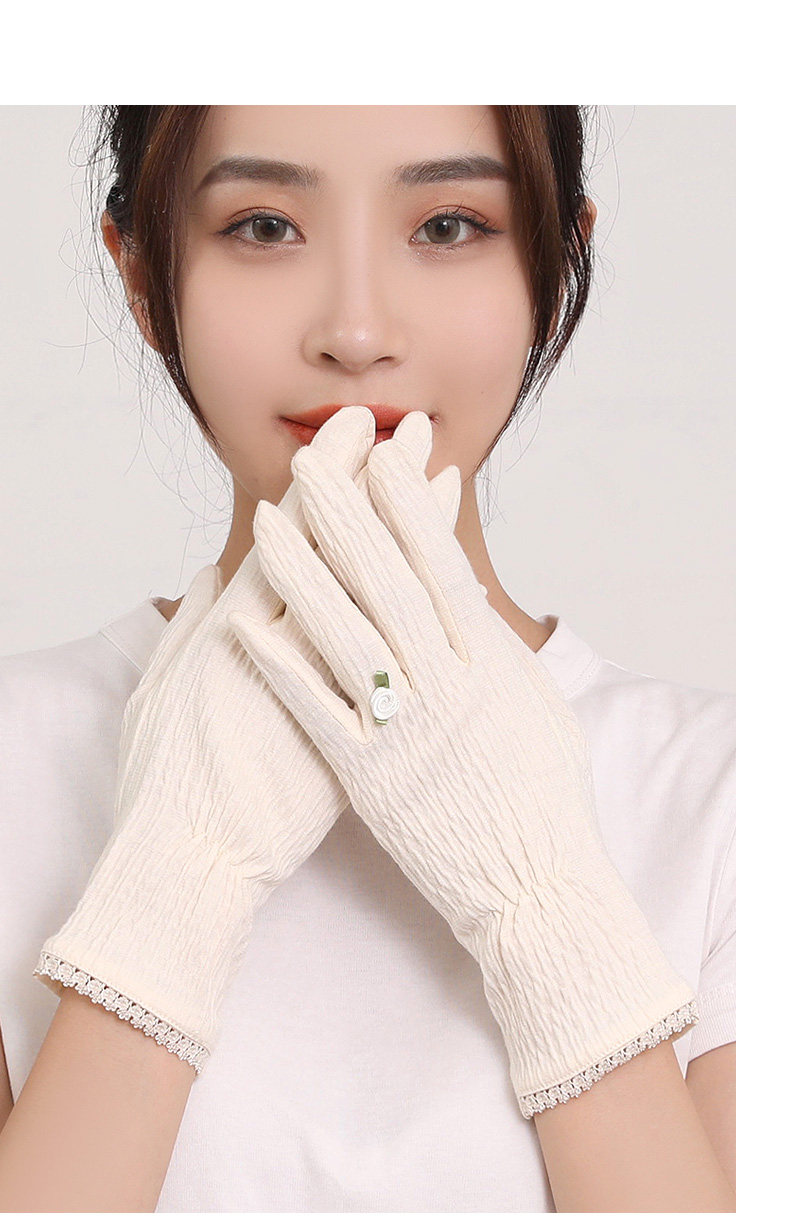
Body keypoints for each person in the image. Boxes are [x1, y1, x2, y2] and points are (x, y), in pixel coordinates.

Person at [0, 106, 735, 1213]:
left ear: (553, 270)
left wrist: (541, 904)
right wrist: (177, 878)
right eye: (262, 226)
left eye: (447, 225)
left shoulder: (728, 794)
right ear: (144, 278)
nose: (355, 331)